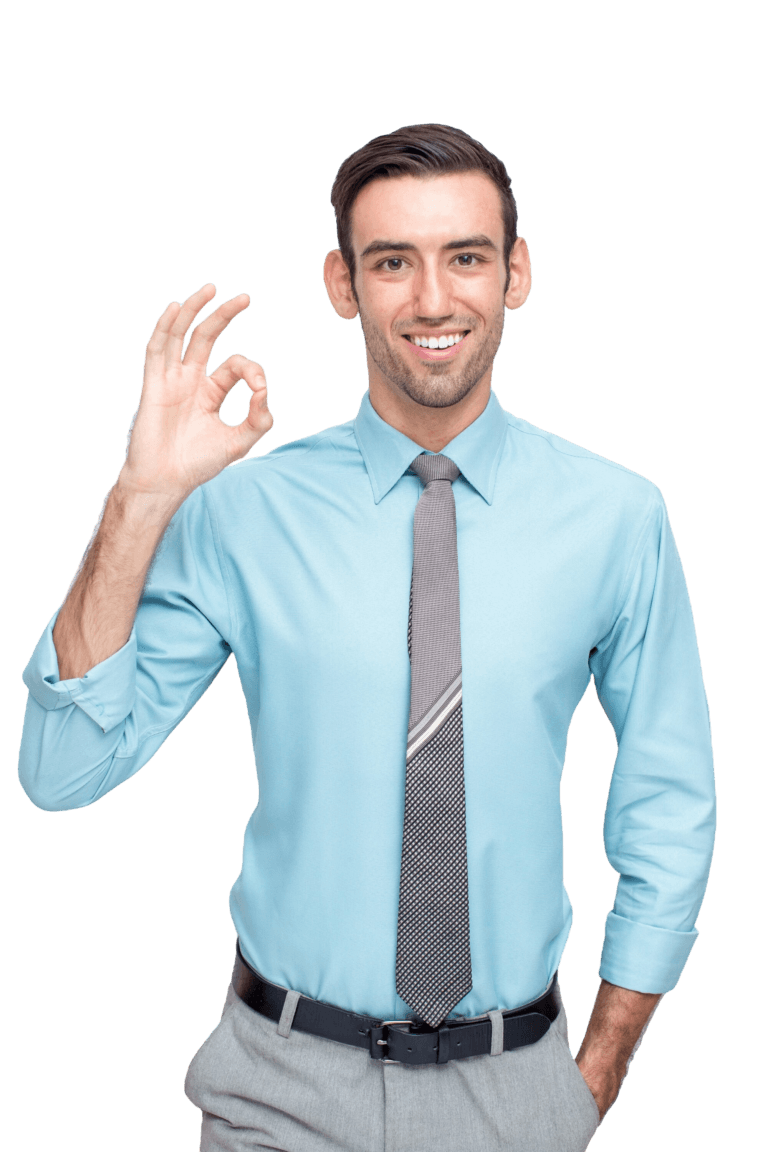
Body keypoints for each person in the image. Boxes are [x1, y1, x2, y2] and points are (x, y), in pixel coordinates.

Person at [18, 123, 716, 1151]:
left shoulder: (617, 516)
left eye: (466, 257)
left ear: (516, 273)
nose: (433, 300)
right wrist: (141, 497)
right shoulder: (243, 512)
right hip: (279, 1090)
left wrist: (598, 1068)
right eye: (393, 262)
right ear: (343, 284)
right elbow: (62, 769)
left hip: (516, 1092)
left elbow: (669, 798)